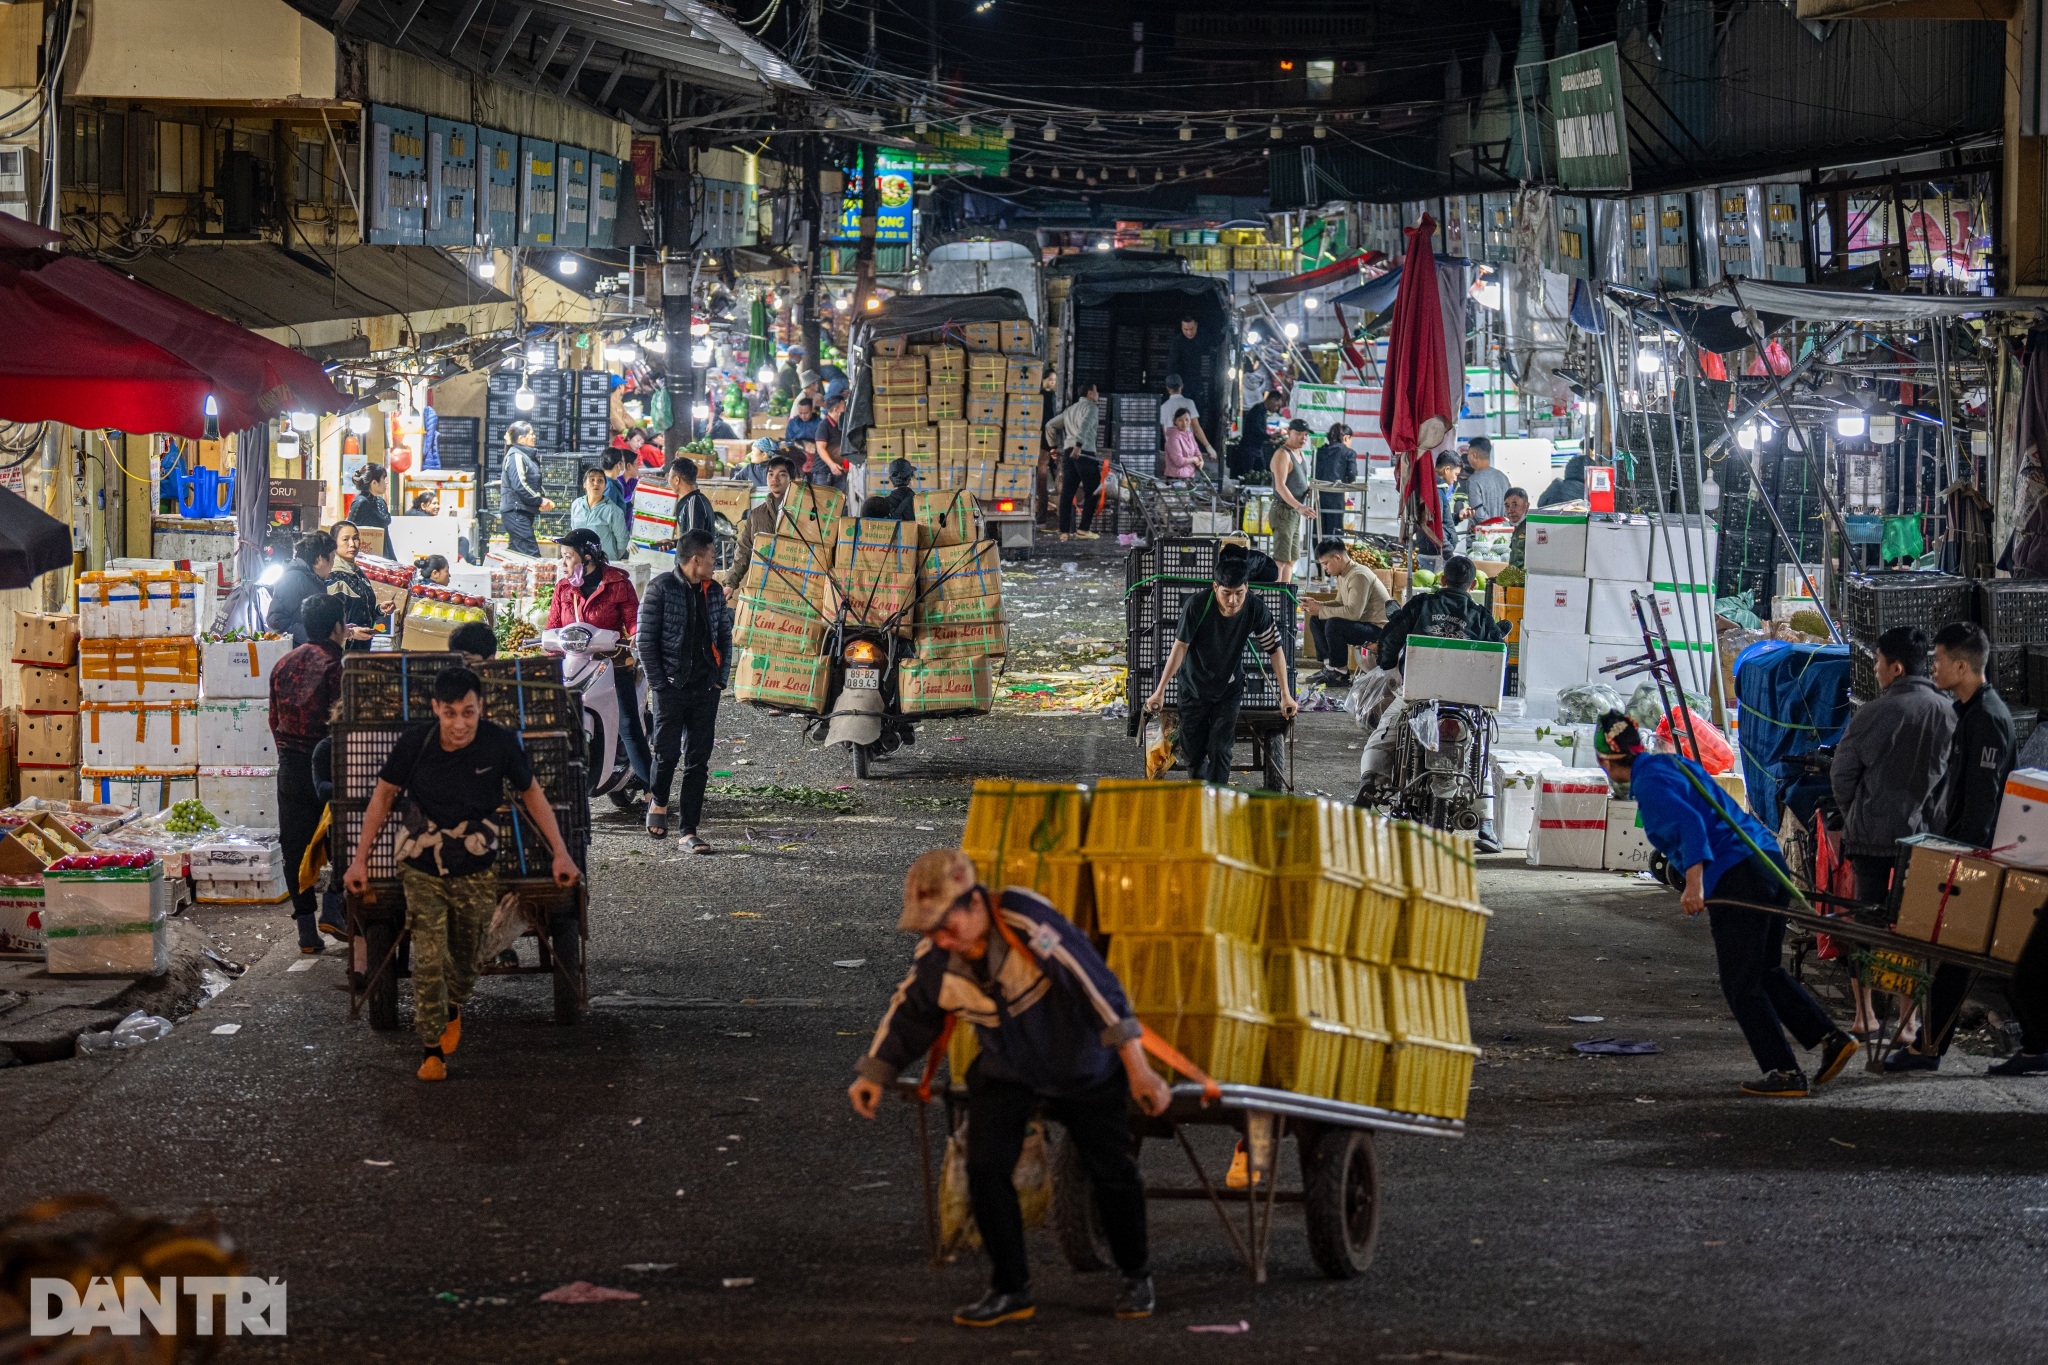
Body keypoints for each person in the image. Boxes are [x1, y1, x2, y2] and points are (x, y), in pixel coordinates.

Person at [848, 849, 1170, 1327]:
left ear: (976, 903)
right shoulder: (939, 958)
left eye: (947, 926)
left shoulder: (1029, 922)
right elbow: (912, 1011)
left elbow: (1098, 989)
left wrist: (1139, 1071)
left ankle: (1136, 1275)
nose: (942, 940)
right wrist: (874, 1073)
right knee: (985, 1167)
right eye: (930, 932)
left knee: (1112, 1171)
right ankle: (1010, 1288)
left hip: (1080, 1065)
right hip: (1008, 1069)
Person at [1595, 713, 1857, 1097]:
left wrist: (1694, 885)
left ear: (1605, 760)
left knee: (1741, 983)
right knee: (1765, 970)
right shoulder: (1672, 763)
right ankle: (1830, 1038)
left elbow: (1690, 824)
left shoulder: (1648, 782)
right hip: (1765, 861)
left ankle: (1784, 1071)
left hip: (1736, 873)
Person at [345, 666, 581, 1081]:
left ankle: (452, 1004)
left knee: (468, 962)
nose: (459, 724)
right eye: (450, 713)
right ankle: (431, 1049)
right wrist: (359, 858)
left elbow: (532, 794)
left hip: (476, 867)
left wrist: (561, 853)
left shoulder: (499, 743)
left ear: (481, 708)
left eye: (468, 712)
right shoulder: (415, 743)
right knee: (429, 958)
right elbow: (382, 796)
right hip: (421, 866)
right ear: (436, 708)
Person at [1890, 621, 2017, 1072]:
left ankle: (1929, 1049)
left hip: (1974, 858)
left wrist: (1962, 862)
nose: (1934, 668)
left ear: (1962, 666)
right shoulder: (1967, 712)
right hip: (1961, 851)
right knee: (1953, 959)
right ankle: (1928, 1047)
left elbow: (1981, 802)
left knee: (1957, 958)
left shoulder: (1986, 719)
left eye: (1940, 660)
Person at [1828, 626, 1953, 1038]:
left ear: (1896, 668)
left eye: (1879, 662)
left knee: (1866, 925)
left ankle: (1865, 1015)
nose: (1876, 670)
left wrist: (1856, 814)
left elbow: (1842, 773)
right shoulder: (1948, 712)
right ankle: (1908, 1021)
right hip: (1926, 840)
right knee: (1914, 928)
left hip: (1873, 839)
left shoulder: (1875, 712)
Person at [1143, 542, 1298, 783]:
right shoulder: (1197, 606)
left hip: (1228, 689)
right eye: (1227, 593)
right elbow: (1180, 648)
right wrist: (1159, 691)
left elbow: (1275, 650)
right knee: (1192, 753)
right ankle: (1200, 790)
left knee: (1221, 748)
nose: (1233, 600)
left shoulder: (1256, 608)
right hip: (1193, 687)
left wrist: (1285, 695)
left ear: (1247, 587)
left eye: (1239, 593)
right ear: (1216, 587)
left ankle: (1217, 797)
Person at [635, 529, 731, 852]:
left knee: (698, 760)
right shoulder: (660, 588)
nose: (715, 563)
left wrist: (720, 679)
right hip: (670, 688)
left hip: (706, 687)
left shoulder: (713, 592)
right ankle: (659, 800)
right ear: (695, 560)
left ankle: (688, 830)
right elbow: (644, 642)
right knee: (666, 754)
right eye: (712, 557)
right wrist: (659, 684)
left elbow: (724, 636)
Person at [270, 594, 348, 954]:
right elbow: (344, 723)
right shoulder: (337, 666)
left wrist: (288, 753)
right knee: (344, 836)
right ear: (338, 627)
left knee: (295, 845)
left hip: (290, 764)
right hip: (328, 765)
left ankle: (306, 932)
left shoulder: (283, 663)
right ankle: (333, 907)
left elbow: (273, 719)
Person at [548, 529, 651, 792]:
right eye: (562, 556)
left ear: (587, 557)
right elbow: (554, 626)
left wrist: (636, 633)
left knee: (628, 726)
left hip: (614, 662)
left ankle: (653, 792)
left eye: (568, 556)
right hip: (575, 664)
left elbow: (633, 619)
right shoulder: (563, 587)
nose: (563, 563)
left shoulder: (618, 583)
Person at [1304, 538, 1390, 687]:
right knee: (1317, 619)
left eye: (1326, 564)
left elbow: (1353, 613)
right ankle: (1330, 668)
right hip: (1363, 623)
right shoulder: (1343, 574)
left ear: (1337, 558)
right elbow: (1340, 603)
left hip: (1378, 629)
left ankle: (1340, 673)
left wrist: (1321, 609)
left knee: (1334, 624)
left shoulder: (1358, 575)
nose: (1325, 569)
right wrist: (1317, 605)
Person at [721, 454, 795, 589]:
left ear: (792, 479)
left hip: (795, 585)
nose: (775, 479)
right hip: (765, 584)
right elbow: (744, 549)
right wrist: (730, 583)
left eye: (782, 474)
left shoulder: (802, 513)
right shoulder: (757, 515)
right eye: (770, 474)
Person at [1048, 382, 1103, 537]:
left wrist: (1052, 446)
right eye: (1096, 391)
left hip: (1068, 452)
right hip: (1083, 452)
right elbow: (1085, 425)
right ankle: (1083, 529)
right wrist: (1079, 445)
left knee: (1067, 492)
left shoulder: (1070, 410)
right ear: (1090, 393)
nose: (1098, 394)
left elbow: (1050, 425)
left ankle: (1064, 531)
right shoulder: (1091, 407)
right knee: (1093, 490)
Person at [266, 529, 336, 646]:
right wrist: (315, 636)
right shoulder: (294, 578)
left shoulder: (312, 579)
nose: (333, 564)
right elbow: (276, 619)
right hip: (298, 652)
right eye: (332, 557)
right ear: (320, 559)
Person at [1267, 419, 1315, 582]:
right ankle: (1274, 594)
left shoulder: (1300, 454)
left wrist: (1310, 489)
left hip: (1293, 512)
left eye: (1305, 435)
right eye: (1299, 434)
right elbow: (1280, 486)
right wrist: (1299, 506)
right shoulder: (1282, 454)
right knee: (1280, 560)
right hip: (1283, 511)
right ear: (1289, 432)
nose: (1303, 438)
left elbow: (1300, 482)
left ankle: (1285, 593)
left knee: (1291, 559)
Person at [498, 420, 553, 556]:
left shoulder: (525, 456)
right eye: (531, 434)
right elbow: (520, 486)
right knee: (531, 554)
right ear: (521, 439)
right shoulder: (516, 456)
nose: (534, 437)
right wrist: (539, 500)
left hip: (521, 512)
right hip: (516, 512)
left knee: (516, 555)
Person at [327, 522, 381, 650]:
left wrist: (379, 611)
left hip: (361, 649)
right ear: (334, 543)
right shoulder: (333, 576)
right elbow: (328, 622)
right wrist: (350, 633)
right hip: (342, 652)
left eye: (355, 538)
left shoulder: (357, 572)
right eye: (345, 539)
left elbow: (359, 610)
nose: (352, 544)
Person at [571, 464, 630, 562]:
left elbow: (623, 541)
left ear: (605, 486)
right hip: (582, 561)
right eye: (592, 479)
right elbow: (574, 532)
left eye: (600, 480)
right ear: (584, 484)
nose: (596, 483)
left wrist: (612, 560)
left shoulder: (612, 510)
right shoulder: (576, 505)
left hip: (604, 563)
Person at [1157, 374, 1216, 472]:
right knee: (1187, 476)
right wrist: (1208, 447)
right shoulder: (1189, 403)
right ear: (1182, 386)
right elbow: (1196, 428)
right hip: (1188, 449)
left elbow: (1165, 432)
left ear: (1168, 388)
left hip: (1172, 451)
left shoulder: (1163, 407)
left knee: (1173, 477)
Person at [1314, 424, 1356, 538]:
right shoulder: (1348, 453)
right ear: (1346, 437)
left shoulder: (1320, 451)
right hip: (1336, 496)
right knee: (1335, 531)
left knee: (1319, 530)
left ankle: (1318, 549)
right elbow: (1352, 475)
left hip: (1318, 496)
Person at [1459, 438, 1511, 526]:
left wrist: (1492, 527)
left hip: (1482, 533)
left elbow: (1478, 512)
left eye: (1468, 454)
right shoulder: (1503, 477)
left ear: (1474, 455)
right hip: (1504, 530)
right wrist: (1501, 526)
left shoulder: (1474, 480)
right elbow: (1510, 507)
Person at [1233, 390, 1284, 480]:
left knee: (1261, 471)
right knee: (1248, 475)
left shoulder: (1263, 411)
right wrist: (1269, 437)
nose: (1277, 409)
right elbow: (1256, 430)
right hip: (1249, 448)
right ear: (1272, 399)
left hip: (1257, 448)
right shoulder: (1257, 410)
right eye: (1277, 405)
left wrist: (1269, 437)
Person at [1159, 409, 1203, 482]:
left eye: (1187, 420)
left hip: (1189, 476)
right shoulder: (1173, 437)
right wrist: (1194, 459)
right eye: (1180, 420)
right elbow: (1178, 461)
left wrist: (1200, 460)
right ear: (1175, 421)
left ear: (1190, 421)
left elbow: (1196, 450)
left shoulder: (1190, 434)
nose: (1184, 423)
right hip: (1176, 478)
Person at [348, 463, 392, 532]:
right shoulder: (361, 502)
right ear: (374, 483)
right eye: (383, 479)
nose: (386, 483)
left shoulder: (381, 501)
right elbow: (349, 529)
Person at [602, 446, 636, 511]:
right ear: (619, 464)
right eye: (623, 461)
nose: (624, 464)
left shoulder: (614, 482)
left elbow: (618, 505)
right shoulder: (610, 487)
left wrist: (631, 502)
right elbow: (608, 512)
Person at [1504, 488, 1530, 569]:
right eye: (1507, 506)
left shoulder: (1530, 528)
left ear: (1527, 506)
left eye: (1515, 505)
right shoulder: (1518, 528)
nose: (1510, 510)